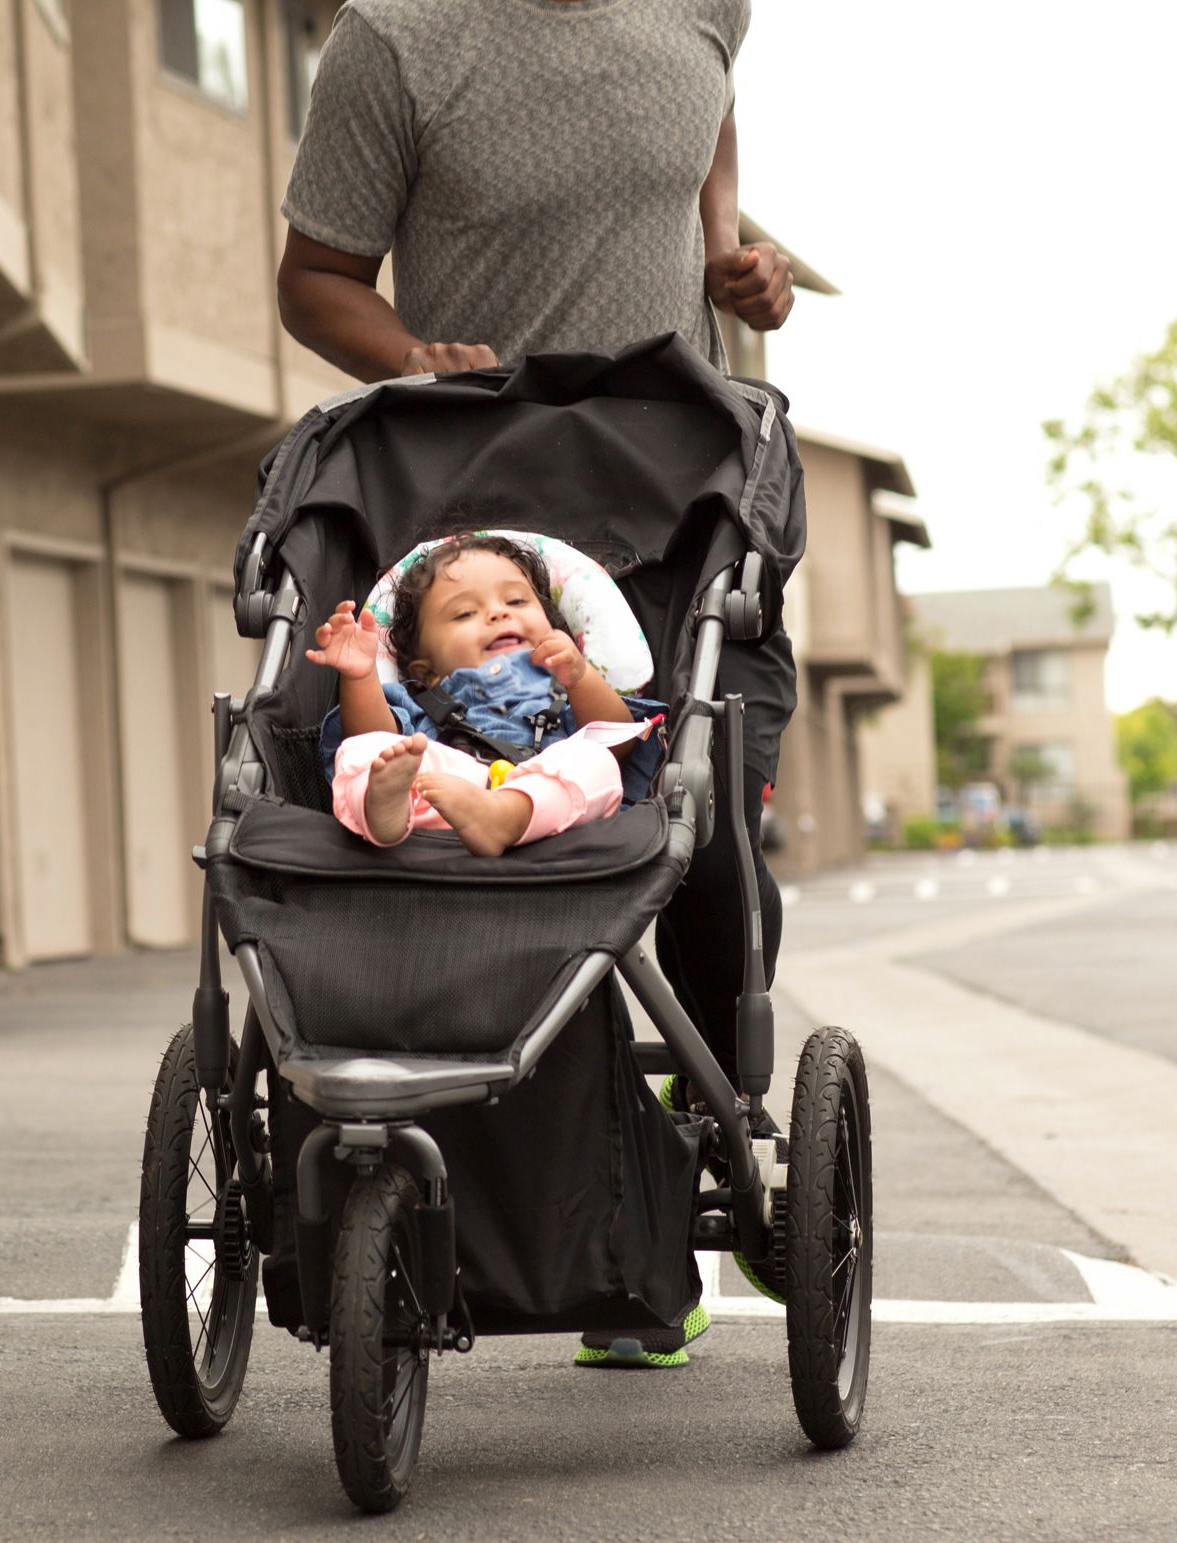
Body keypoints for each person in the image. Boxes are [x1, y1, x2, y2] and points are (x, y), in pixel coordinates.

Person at [279, 0, 792, 1368]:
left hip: (678, 503)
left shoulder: (702, 6)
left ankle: (707, 1133)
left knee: (713, 837)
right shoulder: (392, 42)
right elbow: (314, 274)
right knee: (486, 848)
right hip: (477, 516)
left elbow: (710, 117)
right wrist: (410, 358)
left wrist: (730, 247)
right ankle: (553, 1195)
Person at [310, 535, 662, 855]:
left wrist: (581, 678)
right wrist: (359, 677)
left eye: (516, 600)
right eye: (465, 613)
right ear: (425, 670)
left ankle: (507, 814)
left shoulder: (565, 693)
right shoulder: (423, 700)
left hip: (553, 816)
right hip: (442, 807)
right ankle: (386, 812)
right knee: (365, 750)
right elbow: (373, 732)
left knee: (596, 760)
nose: (498, 612)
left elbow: (619, 744)